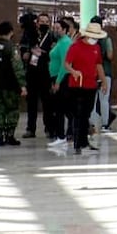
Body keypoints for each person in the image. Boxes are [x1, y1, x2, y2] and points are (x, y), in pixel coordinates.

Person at [64, 22, 108, 155]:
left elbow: (98, 65)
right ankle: (78, 143)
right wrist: (74, 71)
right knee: (78, 114)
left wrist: (104, 81)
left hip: (91, 85)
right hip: (77, 85)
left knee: (86, 113)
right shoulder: (75, 47)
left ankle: (84, 141)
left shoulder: (96, 48)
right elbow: (66, 64)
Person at [0, 21, 27, 146]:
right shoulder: (11, 47)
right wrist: (22, 85)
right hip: (10, 86)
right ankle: (10, 136)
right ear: (11, 32)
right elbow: (17, 68)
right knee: (12, 110)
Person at [19, 13, 53, 139]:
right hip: (32, 73)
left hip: (46, 73)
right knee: (31, 103)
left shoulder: (51, 36)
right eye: (41, 21)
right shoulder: (29, 34)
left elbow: (54, 53)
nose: (44, 23)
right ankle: (30, 129)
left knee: (47, 103)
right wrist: (26, 53)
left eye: (46, 21)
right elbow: (23, 48)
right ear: (37, 23)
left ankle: (49, 128)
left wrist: (43, 53)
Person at [46, 18, 75, 147]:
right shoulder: (59, 42)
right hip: (56, 77)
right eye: (54, 28)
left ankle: (61, 135)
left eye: (58, 28)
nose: (55, 30)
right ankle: (66, 134)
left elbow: (65, 64)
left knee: (61, 108)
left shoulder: (65, 43)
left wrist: (58, 81)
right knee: (63, 108)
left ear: (64, 30)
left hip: (62, 78)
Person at [89, 15, 115, 132]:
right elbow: (110, 56)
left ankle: (93, 124)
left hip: (91, 73)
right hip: (106, 72)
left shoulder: (88, 39)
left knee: (92, 101)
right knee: (104, 100)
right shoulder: (107, 39)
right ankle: (105, 125)